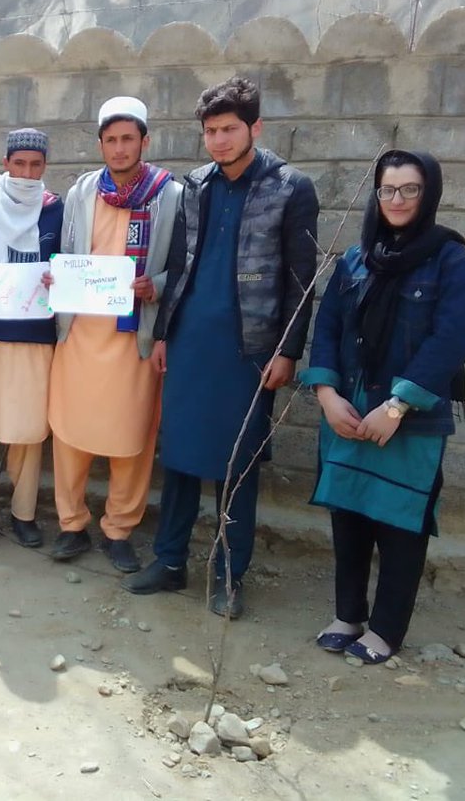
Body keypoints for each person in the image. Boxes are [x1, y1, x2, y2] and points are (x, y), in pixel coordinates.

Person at [122, 77, 319, 618]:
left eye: (230, 129)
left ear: (255, 127)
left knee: (237, 466)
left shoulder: (290, 188)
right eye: (210, 131)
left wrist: (288, 351)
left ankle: (229, 576)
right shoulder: (198, 185)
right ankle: (169, 562)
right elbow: (182, 265)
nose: (219, 141)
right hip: (189, 344)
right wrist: (163, 333)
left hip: (249, 351)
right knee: (181, 458)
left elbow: (303, 279)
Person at [301, 150, 465, 663]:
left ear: (429, 194)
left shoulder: (454, 262)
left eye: (409, 189)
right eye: (387, 189)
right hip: (350, 408)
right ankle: (347, 614)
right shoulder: (357, 260)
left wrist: (399, 406)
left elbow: (449, 341)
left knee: (402, 524)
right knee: (349, 515)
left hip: (410, 418)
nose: (396, 200)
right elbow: (330, 327)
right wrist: (327, 394)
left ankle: (384, 631)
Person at [46, 98, 180, 571]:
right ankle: (71, 523)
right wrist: (55, 278)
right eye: (111, 139)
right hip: (81, 332)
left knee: (131, 437)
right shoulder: (83, 191)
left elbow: (184, 266)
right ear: (100, 144)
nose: (119, 148)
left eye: (128, 139)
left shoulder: (171, 195)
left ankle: (119, 528)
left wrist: (156, 286)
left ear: (145, 142)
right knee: (71, 432)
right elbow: (68, 252)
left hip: (135, 336)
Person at [0, 128, 62, 552]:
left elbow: (69, 264)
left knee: (28, 430)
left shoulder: (57, 213)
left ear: (44, 168)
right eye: (18, 163)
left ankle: (24, 514)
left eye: (35, 165)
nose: (26, 172)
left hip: (38, 338)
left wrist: (59, 277)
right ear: (5, 163)